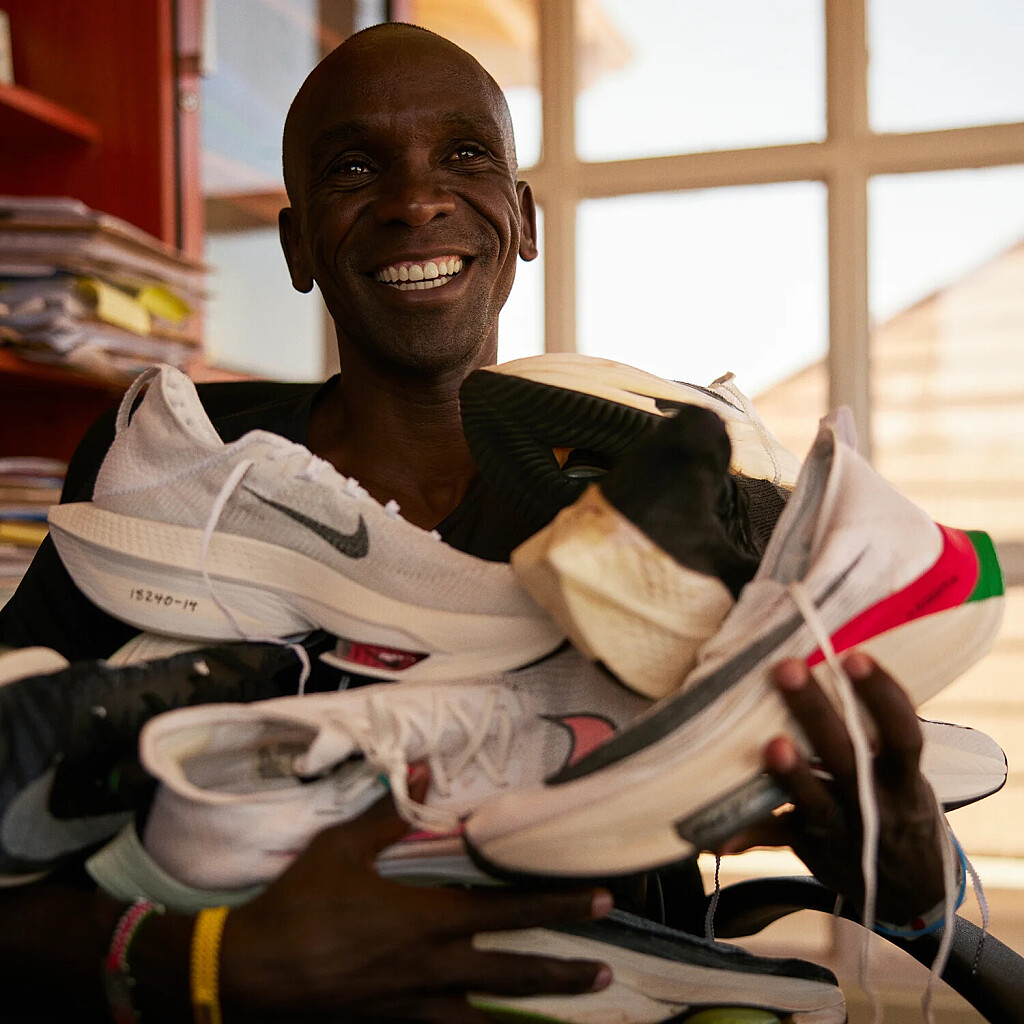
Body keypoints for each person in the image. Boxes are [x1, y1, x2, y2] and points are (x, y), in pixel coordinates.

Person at [0, 23, 949, 1023]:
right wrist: (204, 960)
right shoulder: (176, 466)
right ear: (296, 245)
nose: (415, 201)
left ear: (524, 220)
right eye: (354, 167)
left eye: (463, 154)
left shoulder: (668, 490)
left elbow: (899, 891)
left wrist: (911, 882)